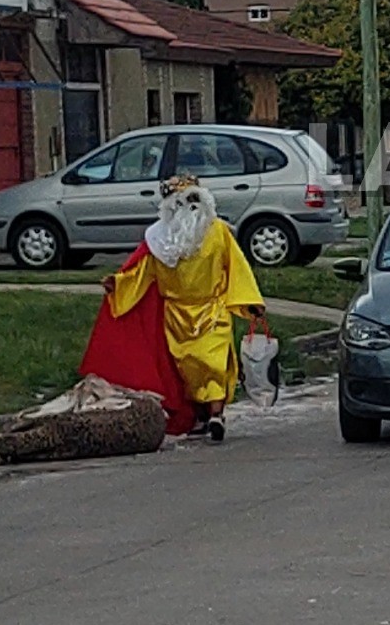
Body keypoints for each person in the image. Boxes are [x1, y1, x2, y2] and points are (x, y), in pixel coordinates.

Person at [83, 175, 265, 442]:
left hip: (211, 309)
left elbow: (237, 266)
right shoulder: (158, 239)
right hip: (177, 315)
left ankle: (216, 415)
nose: (191, 207)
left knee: (214, 364)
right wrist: (118, 284)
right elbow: (142, 273)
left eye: (194, 199)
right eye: (184, 201)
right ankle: (203, 417)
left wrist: (250, 301)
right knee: (188, 369)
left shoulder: (218, 232)